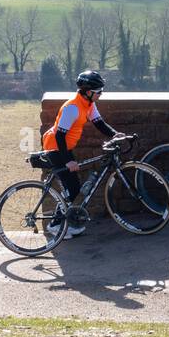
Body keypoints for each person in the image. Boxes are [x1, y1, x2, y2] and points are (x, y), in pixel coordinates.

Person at [41, 70, 125, 239]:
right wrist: (68, 161)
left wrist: (115, 134)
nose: (101, 94)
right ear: (88, 92)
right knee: (72, 189)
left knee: (73, 188)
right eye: (99, 91)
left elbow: (99, 123)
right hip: (55, 148)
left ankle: (62, 222)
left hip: (63, 147)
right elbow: (59, 135)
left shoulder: (88, 104)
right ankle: (55, 225)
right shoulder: (72, 108)